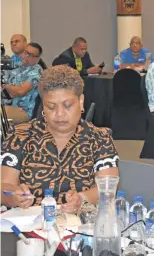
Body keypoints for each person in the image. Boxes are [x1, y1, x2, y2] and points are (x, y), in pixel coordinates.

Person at [1, 65, 120, 213]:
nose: (59, 114)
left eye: (67, 105)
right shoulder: (20, 135)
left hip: (80, 224)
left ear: (81, 102)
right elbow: (4, 186)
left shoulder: (100, 137)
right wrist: (14, 196)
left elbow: (109, 188)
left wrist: (81, 199)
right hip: (30, 222)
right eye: (51, 107)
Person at [2, 42, 43, 123]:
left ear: (37, 59)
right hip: (8, 105)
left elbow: (20, 91)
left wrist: (7, 87)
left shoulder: (36, 71)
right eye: (25, 52)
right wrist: (10, 89)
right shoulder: (19, 66)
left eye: (30, 54)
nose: (26, 56)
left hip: (23, 111)